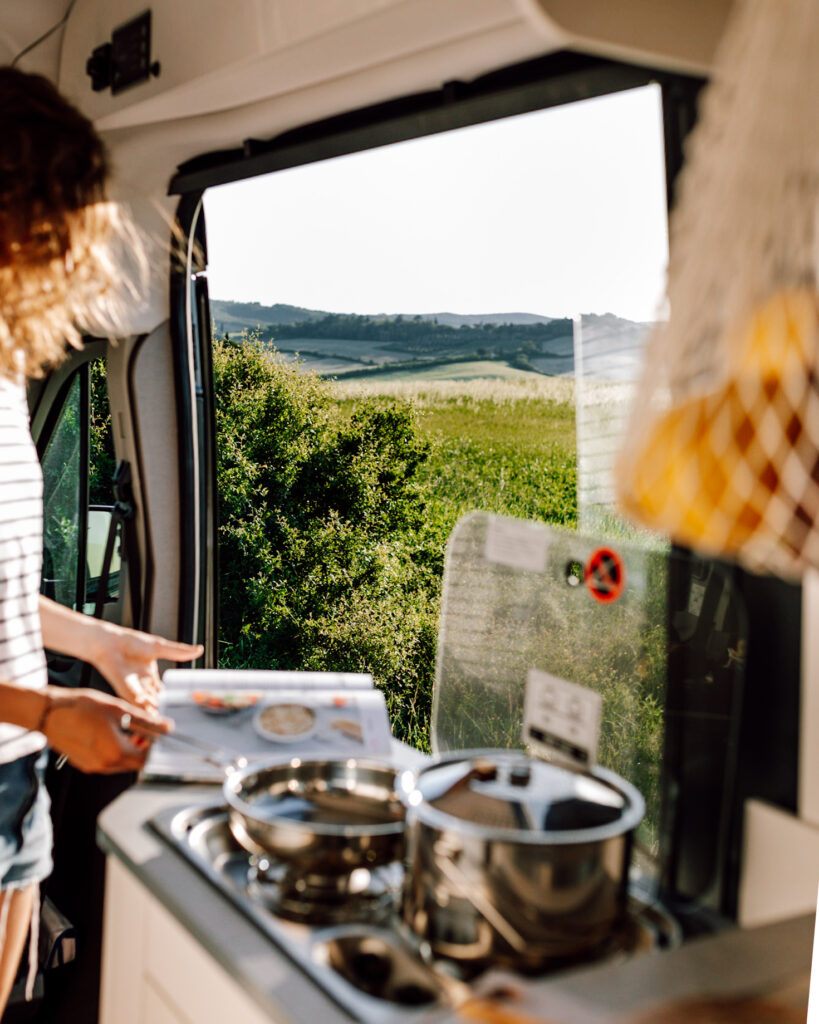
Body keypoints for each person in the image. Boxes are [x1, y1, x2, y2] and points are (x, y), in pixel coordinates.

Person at [0, 65, 199, 1013]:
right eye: (55, 226)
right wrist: (47, 715)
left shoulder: (3, 380)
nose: (69, 257)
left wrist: (94, 641)